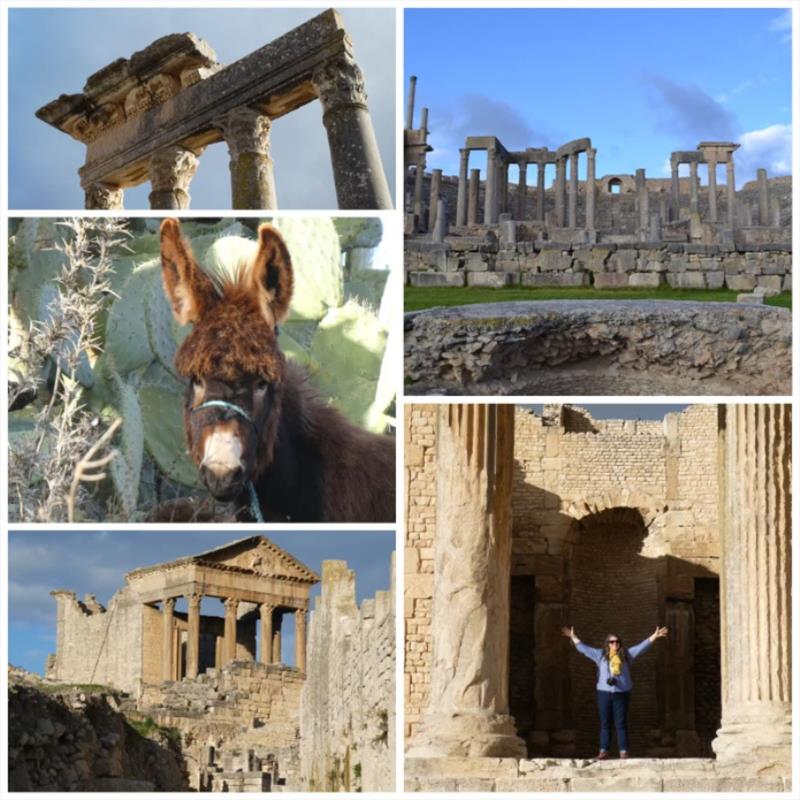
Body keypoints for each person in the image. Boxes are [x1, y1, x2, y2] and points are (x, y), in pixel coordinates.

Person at [561, 625, 668, 759]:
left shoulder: (626, 655)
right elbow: (584, 649)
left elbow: (641, 648)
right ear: (607, 644)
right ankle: (603, 751)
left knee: (621, 723)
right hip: (604, 693)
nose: (615, 644)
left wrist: (655, 636)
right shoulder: (600, 655)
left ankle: (623, 752)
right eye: (612, 642)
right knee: (605, 723)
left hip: (621, 692)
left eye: (617, 641)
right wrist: (573, 636)